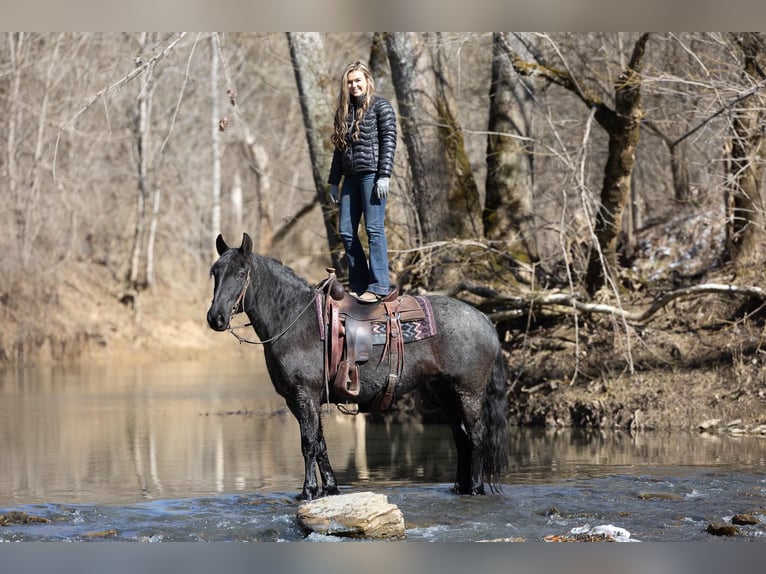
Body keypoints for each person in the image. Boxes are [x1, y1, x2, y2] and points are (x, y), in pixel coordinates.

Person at [327, 61, 397, 303]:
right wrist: (333, 181)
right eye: (350, 82)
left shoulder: (381, 106)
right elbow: (338, 149)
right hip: (350, 178)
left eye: (358, 80)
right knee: (346, 231)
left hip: (372, 175)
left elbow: (389, 140)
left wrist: (384, 175)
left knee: (373, 229)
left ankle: (379, 286)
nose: (354, 85)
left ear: (367, 80)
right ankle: (360, 285)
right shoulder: (344, 111)